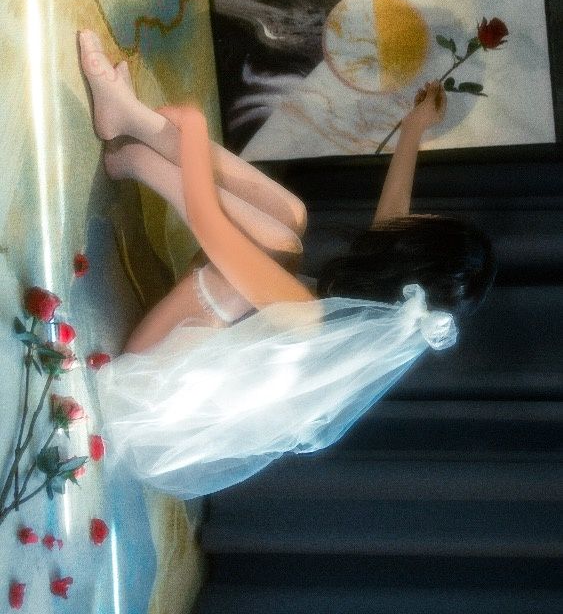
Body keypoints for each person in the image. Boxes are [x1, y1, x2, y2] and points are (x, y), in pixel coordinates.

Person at [78, 30, 496, 499]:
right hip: (191, 358)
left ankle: (135, 153)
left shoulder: (310, 317)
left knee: (273, 243)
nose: (420, 216)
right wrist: (414, 126)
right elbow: (391, 220)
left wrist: (193, 131)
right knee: (291, 217)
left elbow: (208, 224)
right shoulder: (379, 312)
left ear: (410, 252)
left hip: (146, 387)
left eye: (427, 223)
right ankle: (129, 124)